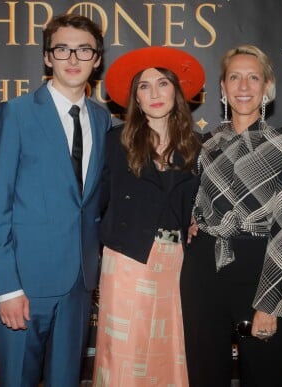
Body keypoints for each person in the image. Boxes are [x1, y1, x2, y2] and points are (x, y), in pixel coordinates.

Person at [0, 14, 111, 386]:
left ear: (97, 59)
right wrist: (6, 287)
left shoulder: (102, 122)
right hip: (26, 283)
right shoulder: (16, 114)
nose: (73, 58)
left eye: (84, 49)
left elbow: (98, 200)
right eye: (62, 49)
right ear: (47, 57)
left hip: (80, 284)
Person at [180, 44, 282, 387]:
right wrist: (194, 223)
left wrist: (270, 302)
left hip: (259, 266)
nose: (243, 86)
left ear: (267, 86)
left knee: (265, 375)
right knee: (204, 374)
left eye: (253, 77)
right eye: (234, 77)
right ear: (222, 88)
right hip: (203, 269)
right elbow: (196, 202)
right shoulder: (205, 145)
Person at [92, 46, 205, 387]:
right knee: (124, 356)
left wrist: (200, 219)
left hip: (175, 263)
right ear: (135, 98)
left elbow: (202, 202)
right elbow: (96, 201)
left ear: (176, 90)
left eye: (163, 83)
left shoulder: (197, 146)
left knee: (169, 354)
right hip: (126, 258)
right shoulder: (114, 141)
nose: (154, 93)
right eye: (144, 86)